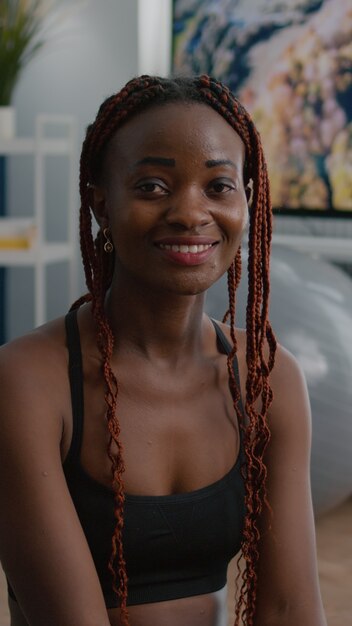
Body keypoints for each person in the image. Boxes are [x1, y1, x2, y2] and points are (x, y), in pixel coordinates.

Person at [0, 75, 327, 626]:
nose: (189, 212)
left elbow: (290, 608)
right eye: (152, 185)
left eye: (218, 186)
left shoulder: (266, 377)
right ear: (102, 203)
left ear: (247, 200)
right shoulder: (27, 381)